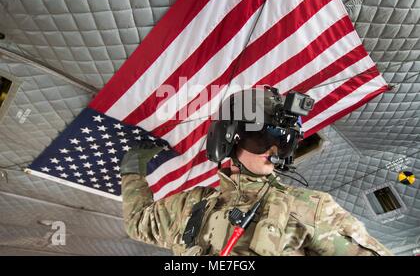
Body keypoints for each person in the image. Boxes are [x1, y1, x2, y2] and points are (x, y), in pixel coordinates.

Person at [120, 86, 393, 256]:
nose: (273, 151)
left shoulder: (310, 209)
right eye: (262, 138)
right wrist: (132, 170)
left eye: (284, 143)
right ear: (228, 138)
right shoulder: (188, 206)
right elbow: (138, 223)